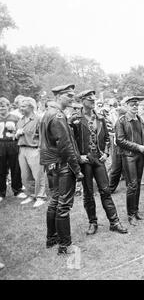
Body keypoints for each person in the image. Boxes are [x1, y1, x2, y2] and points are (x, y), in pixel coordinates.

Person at [70, 90, 128, 235]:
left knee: (105, 190)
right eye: (89, 99)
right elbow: (71, 142)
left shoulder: (100, 117)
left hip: (98, 158)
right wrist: (79, 157)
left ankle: (114, 222)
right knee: (88, 193)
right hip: (85, 160)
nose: (92, 101)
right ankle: (93, 222)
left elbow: (108, 138)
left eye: (93, 99)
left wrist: (106, 153)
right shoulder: (75, 119)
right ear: (82, 100)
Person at [40, 84, 84, 255]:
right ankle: (65, 245)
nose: (72, 99)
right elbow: (65, 146)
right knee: (63, 205)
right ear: (58, 96)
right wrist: (76, 168)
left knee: (55, 201)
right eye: (69, 96)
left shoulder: (48, 113)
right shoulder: (57, 115)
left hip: (51, 164)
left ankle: (52, 238)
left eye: (73, 96)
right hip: (62, 164)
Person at [115, 96, 144, 226]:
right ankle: (130, 215)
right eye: (132, 105)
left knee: (138, 183)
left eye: (136, 104)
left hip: (140, 156)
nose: (135, 107)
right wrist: (138, 147)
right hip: (128, 156)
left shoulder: (140, 120)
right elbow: (120, 140)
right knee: (132, 185)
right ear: (126, 106)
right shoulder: (121, 121)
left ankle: (136, 211)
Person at [15, 97, 47, 207]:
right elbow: (17, 135)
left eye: (23, 106)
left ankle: (41, 196)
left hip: (34, 149)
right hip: (22, 149)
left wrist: (41, 150)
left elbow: (43, 137)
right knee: (25, 175)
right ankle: (31, 194)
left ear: (31, 107)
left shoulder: (39, 119)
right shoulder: (21, 120)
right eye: (20, 106)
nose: (20, 108)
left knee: (38, 175)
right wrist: (17, 134)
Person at [0, 97, 25, 203]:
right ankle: (1, 192)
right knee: (1, 169)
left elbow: (21, 131)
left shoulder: (15, 117)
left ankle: (17, 190)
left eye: (3, 106)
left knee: (15, 168)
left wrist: (16, 131)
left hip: (12, 143)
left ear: (8, 106)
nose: (1, 108)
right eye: (0, 106)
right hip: (0, 143)